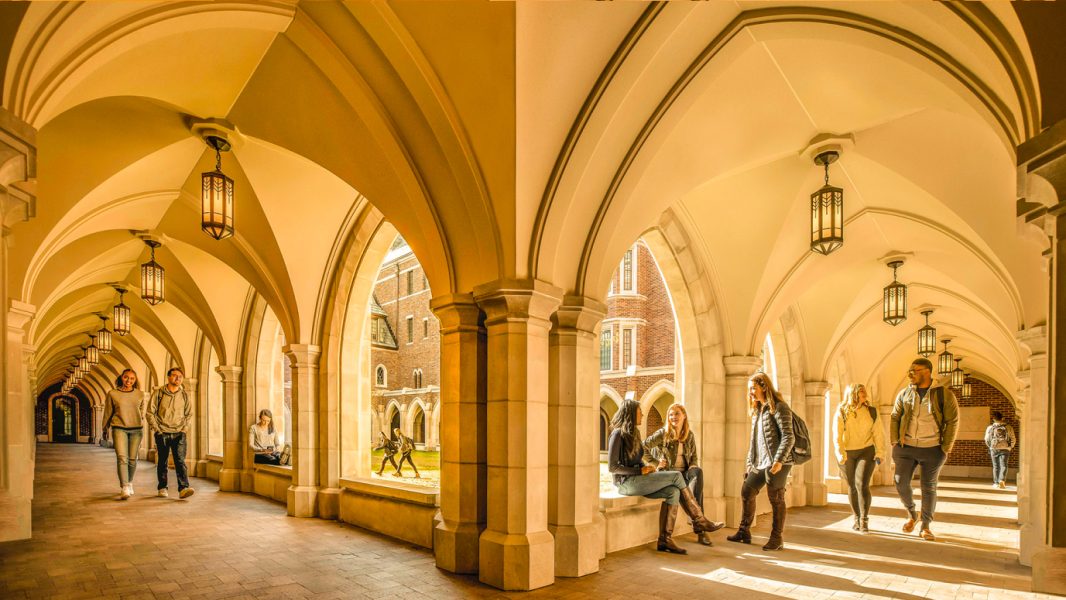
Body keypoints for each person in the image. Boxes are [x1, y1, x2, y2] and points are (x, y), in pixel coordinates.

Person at [608, 399, 724, 554]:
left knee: (673, 492)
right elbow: (613, 467)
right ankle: (700, 520)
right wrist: (641, 471)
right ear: (631, 412)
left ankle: (665, 540)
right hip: (626, 483)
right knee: (676, 476)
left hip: (638, 480)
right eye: (639, 411)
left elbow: (636, 460)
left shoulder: (634, 433)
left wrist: (647, 468)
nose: (642, 414)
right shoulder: (617, 434)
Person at [890, 357, 959, 542]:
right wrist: (895, 440)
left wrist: (946, 447)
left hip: (933, 448)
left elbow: (952, 421)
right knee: (900, 483)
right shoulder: (904, 393)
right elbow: (895, 416)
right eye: (910, 370)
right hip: (906, 447)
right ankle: (912, 513)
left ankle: (926, 526)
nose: (910, 374)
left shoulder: (943, 394)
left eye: (915, 370)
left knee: (928, 487)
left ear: (927, 371)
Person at [727, 372, 795, 551]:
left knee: (776, 498)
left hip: (778, 462)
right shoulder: (757, 410)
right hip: (760, 462)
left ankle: (776, 538)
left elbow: (789, 436)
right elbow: (754, 440)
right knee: (747, 490)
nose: (750, 392)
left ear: (764, 387)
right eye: (749, 389)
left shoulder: (779, 407)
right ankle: (744, 531)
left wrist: (779, 460)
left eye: (753, 388)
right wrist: (750, 463)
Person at [644, 403, 713, 545]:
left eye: (676, 414)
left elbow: (694, 457)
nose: (673, 417)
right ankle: (700, 528)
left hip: (685, 473)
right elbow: (643, 446)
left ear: (684, 416)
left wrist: (693, 465)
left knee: (698, 472)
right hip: (669, 474)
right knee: (691, 493)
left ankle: (695, 516)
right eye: (670, 414)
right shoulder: (663, 433)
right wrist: (656, 463)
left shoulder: (689, 435)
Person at [832, 383, 885, 533]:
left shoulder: (872, 411)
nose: (865, 395)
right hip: (848, 453)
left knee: (862, 484)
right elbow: (837, 434)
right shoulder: (842, 411)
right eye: (861, 392)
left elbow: (878, 433)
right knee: (852, 487)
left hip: (866, 451)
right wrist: (840, 453)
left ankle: (864, 519)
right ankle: (856, 517)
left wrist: (880, 452)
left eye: (865, 392)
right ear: (853, 394)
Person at [146, 367, 195, 499]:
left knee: (180, 461)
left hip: (179, 432)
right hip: (162, 432)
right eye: (174, 375)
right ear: (168, 377)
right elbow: (150, 413)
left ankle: (183, 488)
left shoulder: (185, 395)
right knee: (163, 461)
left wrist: (184, 429)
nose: (178, 378)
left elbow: (189, 414)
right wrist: (158, 430)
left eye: (180, 376)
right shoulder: (159, 393)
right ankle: (162, 487)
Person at [102, 369, 145, 500]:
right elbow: (108, 412)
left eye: (132, 378)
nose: (129, 381)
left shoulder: (140, 394)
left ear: (135, 380)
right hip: (119, 428)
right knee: (122, 457)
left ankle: (130, 482)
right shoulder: (113, 394)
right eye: (126, 377)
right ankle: (124, 486)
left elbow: (141, 412)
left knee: (132, 459)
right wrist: (105, 428)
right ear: (121, 378)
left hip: (136, 429)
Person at [984, 410, 1016, 489]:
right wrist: (1010, 447)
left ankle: (996, 483)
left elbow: (987, 439)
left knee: (996, 466)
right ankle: (1002, 480)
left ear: (993, 419)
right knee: (1004, 465)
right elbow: (1013, 438)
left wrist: (990, 446)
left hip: (994, 448)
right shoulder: (1008, 427)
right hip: (1005, 448)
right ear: (1002, 418)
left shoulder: (990, 428)